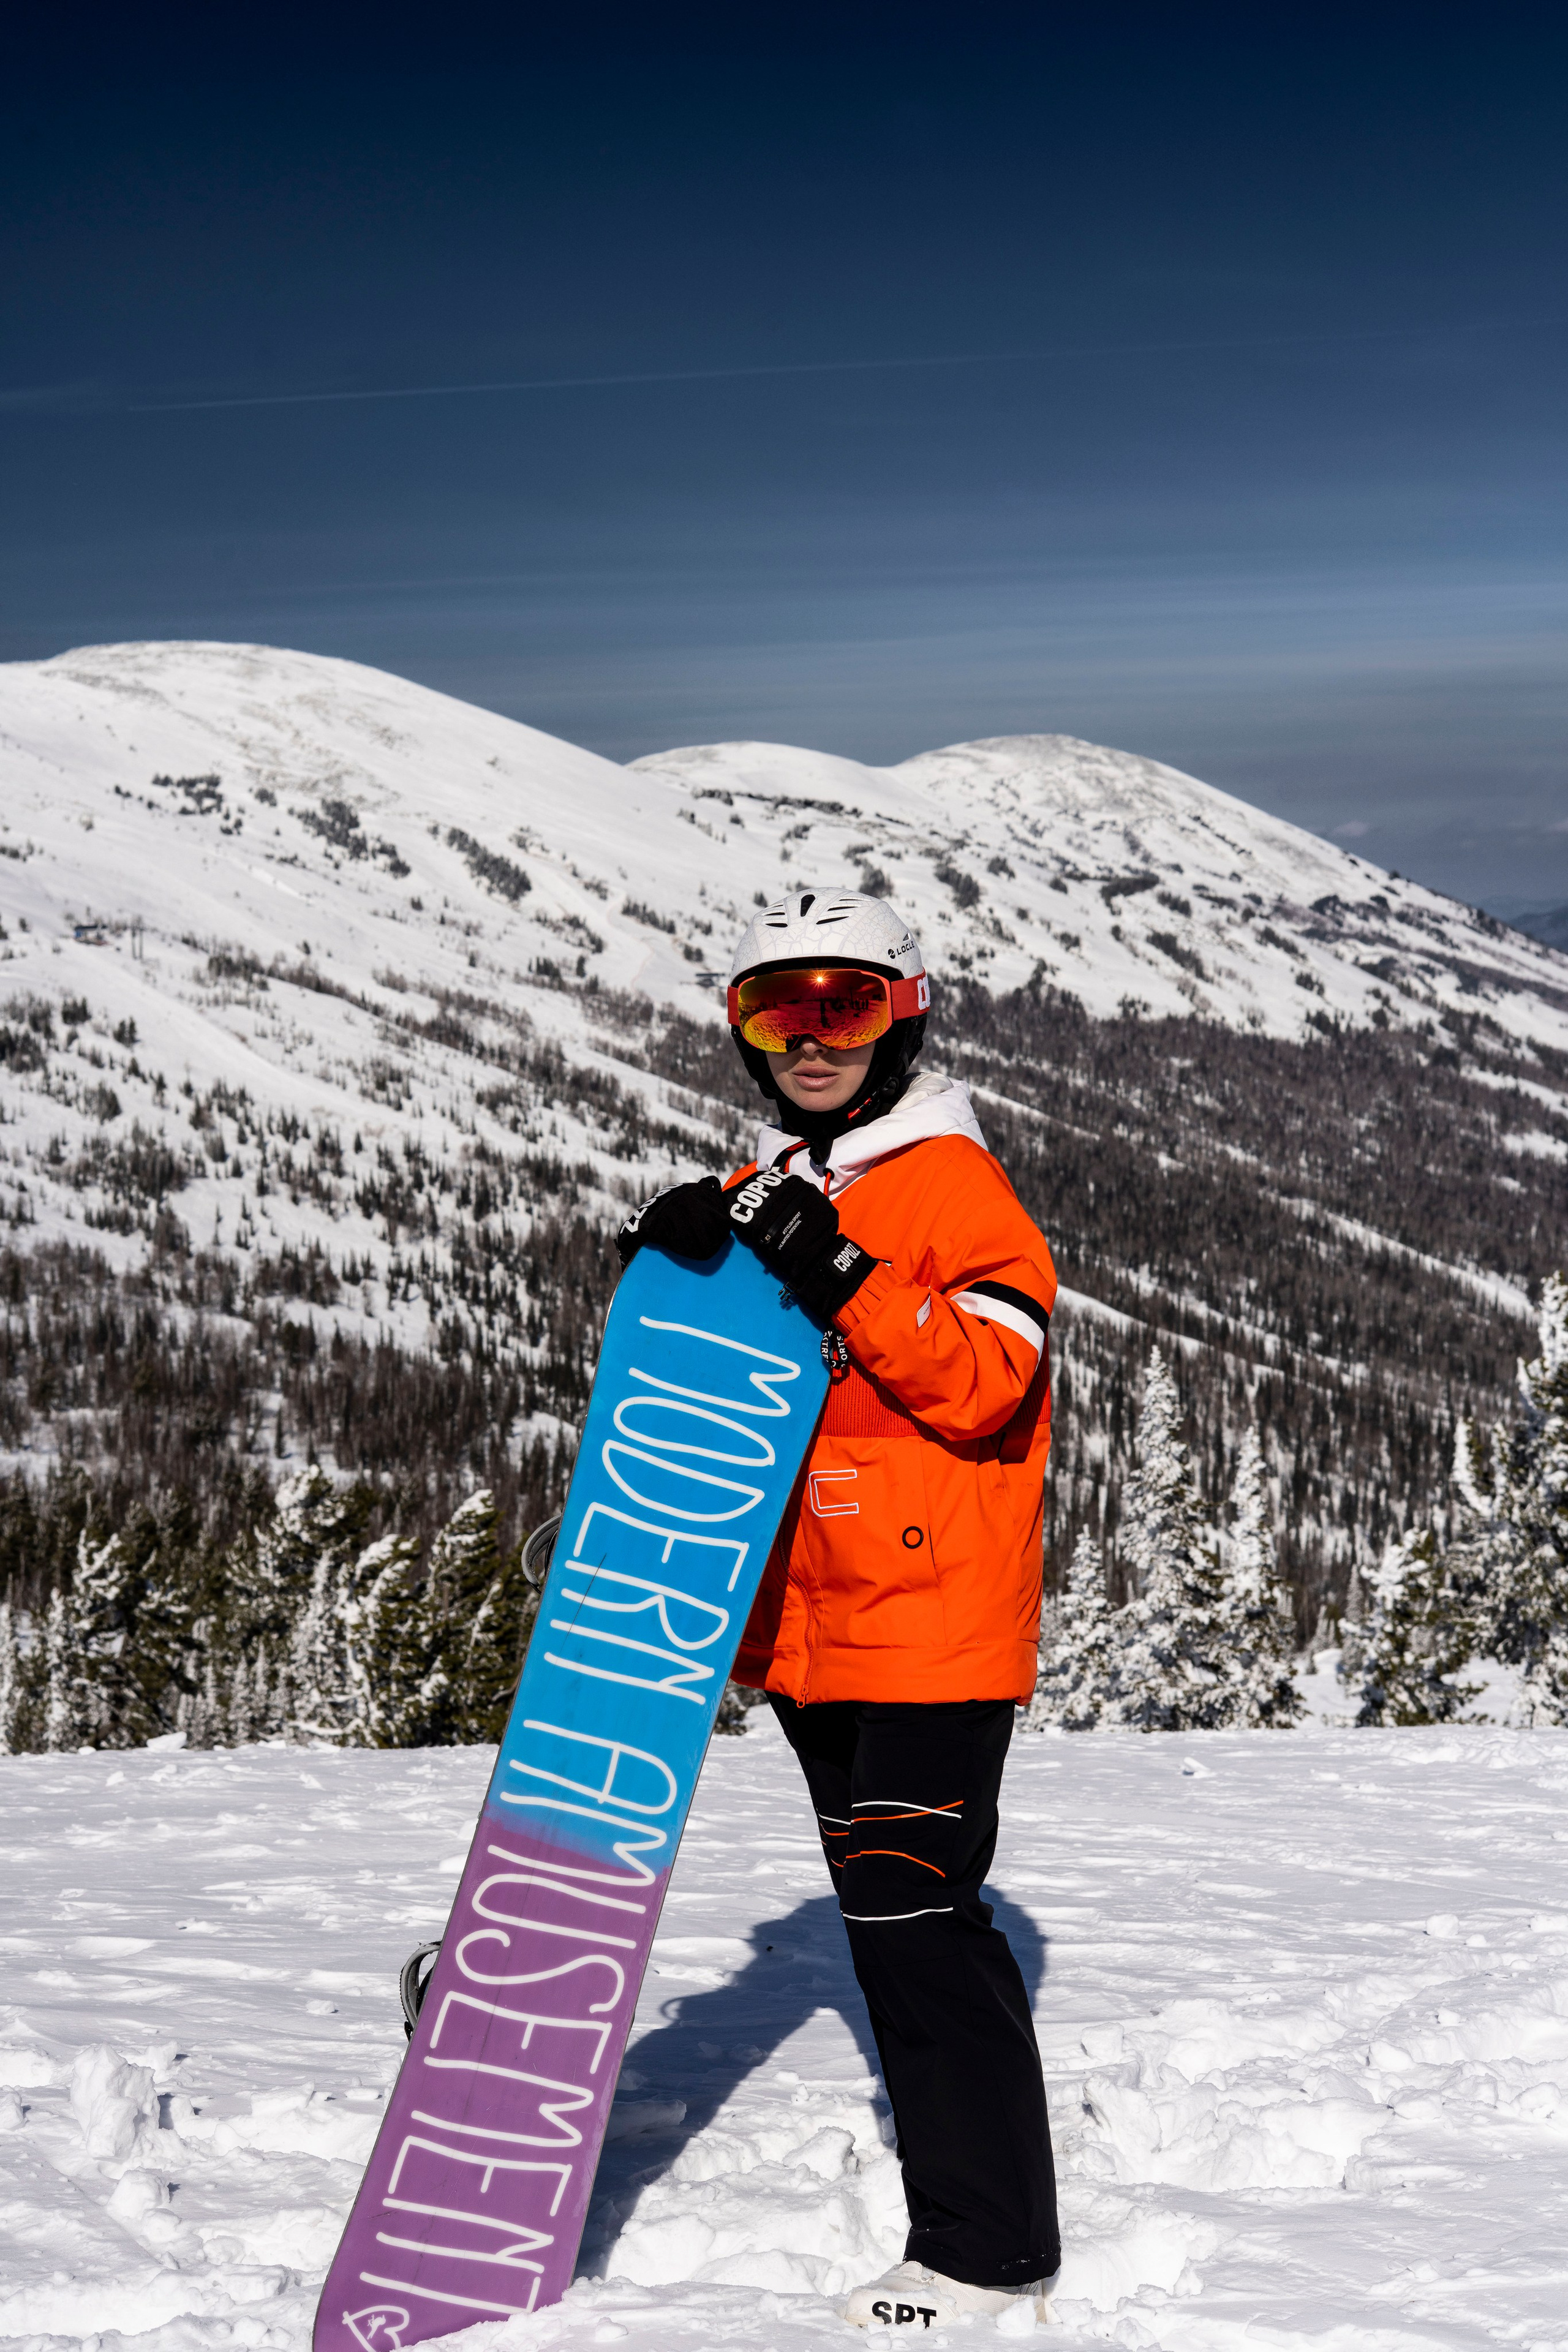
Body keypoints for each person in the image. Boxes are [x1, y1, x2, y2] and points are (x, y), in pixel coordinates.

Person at [616, 889, 1060, 2330]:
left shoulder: (948, 1185)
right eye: (776, 1008)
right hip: (822, 1633)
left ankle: (989, 2253)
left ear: (902, 1018)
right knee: (888, 1926)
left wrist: (839, 1270)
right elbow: (734, 1405)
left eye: (846, 1005)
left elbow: (992, 1382)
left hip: (928, 1625)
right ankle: (968, 2217)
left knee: (916, 1918)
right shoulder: (798, 1177)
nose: (810, 1037)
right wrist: (690, 1260)